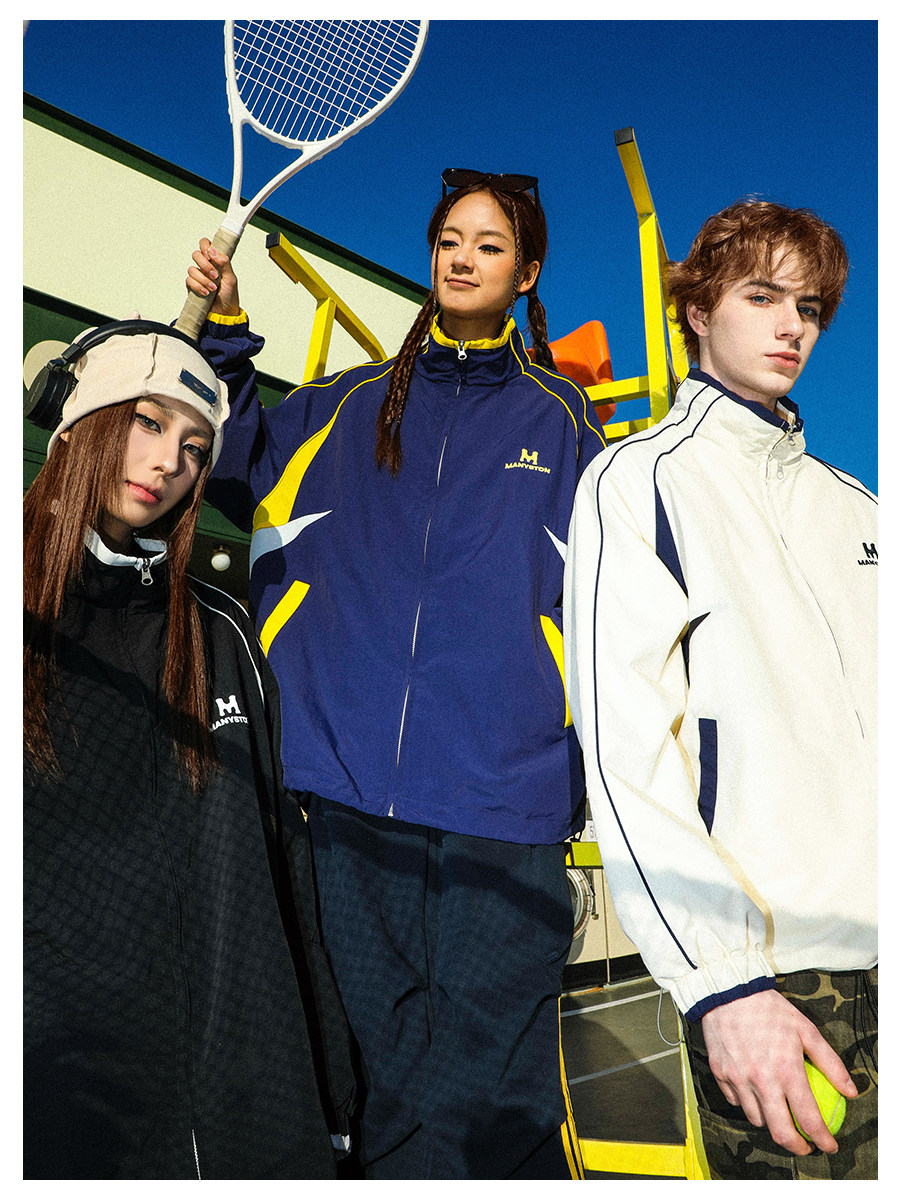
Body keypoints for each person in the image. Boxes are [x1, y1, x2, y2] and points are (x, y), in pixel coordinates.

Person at [183, 169, 605, 1179]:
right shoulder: (345, 405)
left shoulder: (565, 424)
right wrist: (223, 329)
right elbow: (224, 460)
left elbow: (629, 597)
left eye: (489, 245)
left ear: (527, 273)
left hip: (506, 804)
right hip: (344, 792)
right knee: (370, 1075)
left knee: (494, 1091)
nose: (462, 258)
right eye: (449, 240)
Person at [563, 199, 877, 1180]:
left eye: (811, 308)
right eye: (763, 297)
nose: (794, 327)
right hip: (784, 984)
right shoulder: (638, 480)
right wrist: (722, 983)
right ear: (698, 310)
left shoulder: (861, 509)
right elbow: (626, 753)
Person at [23, 320, 356, 1179]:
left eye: (195, 446)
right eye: (147, 421)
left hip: (245, 1105)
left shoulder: (220, 634)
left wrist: (330, 1087)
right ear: (79, 424)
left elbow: (285, 870)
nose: (168, 461)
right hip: (72, 1108)